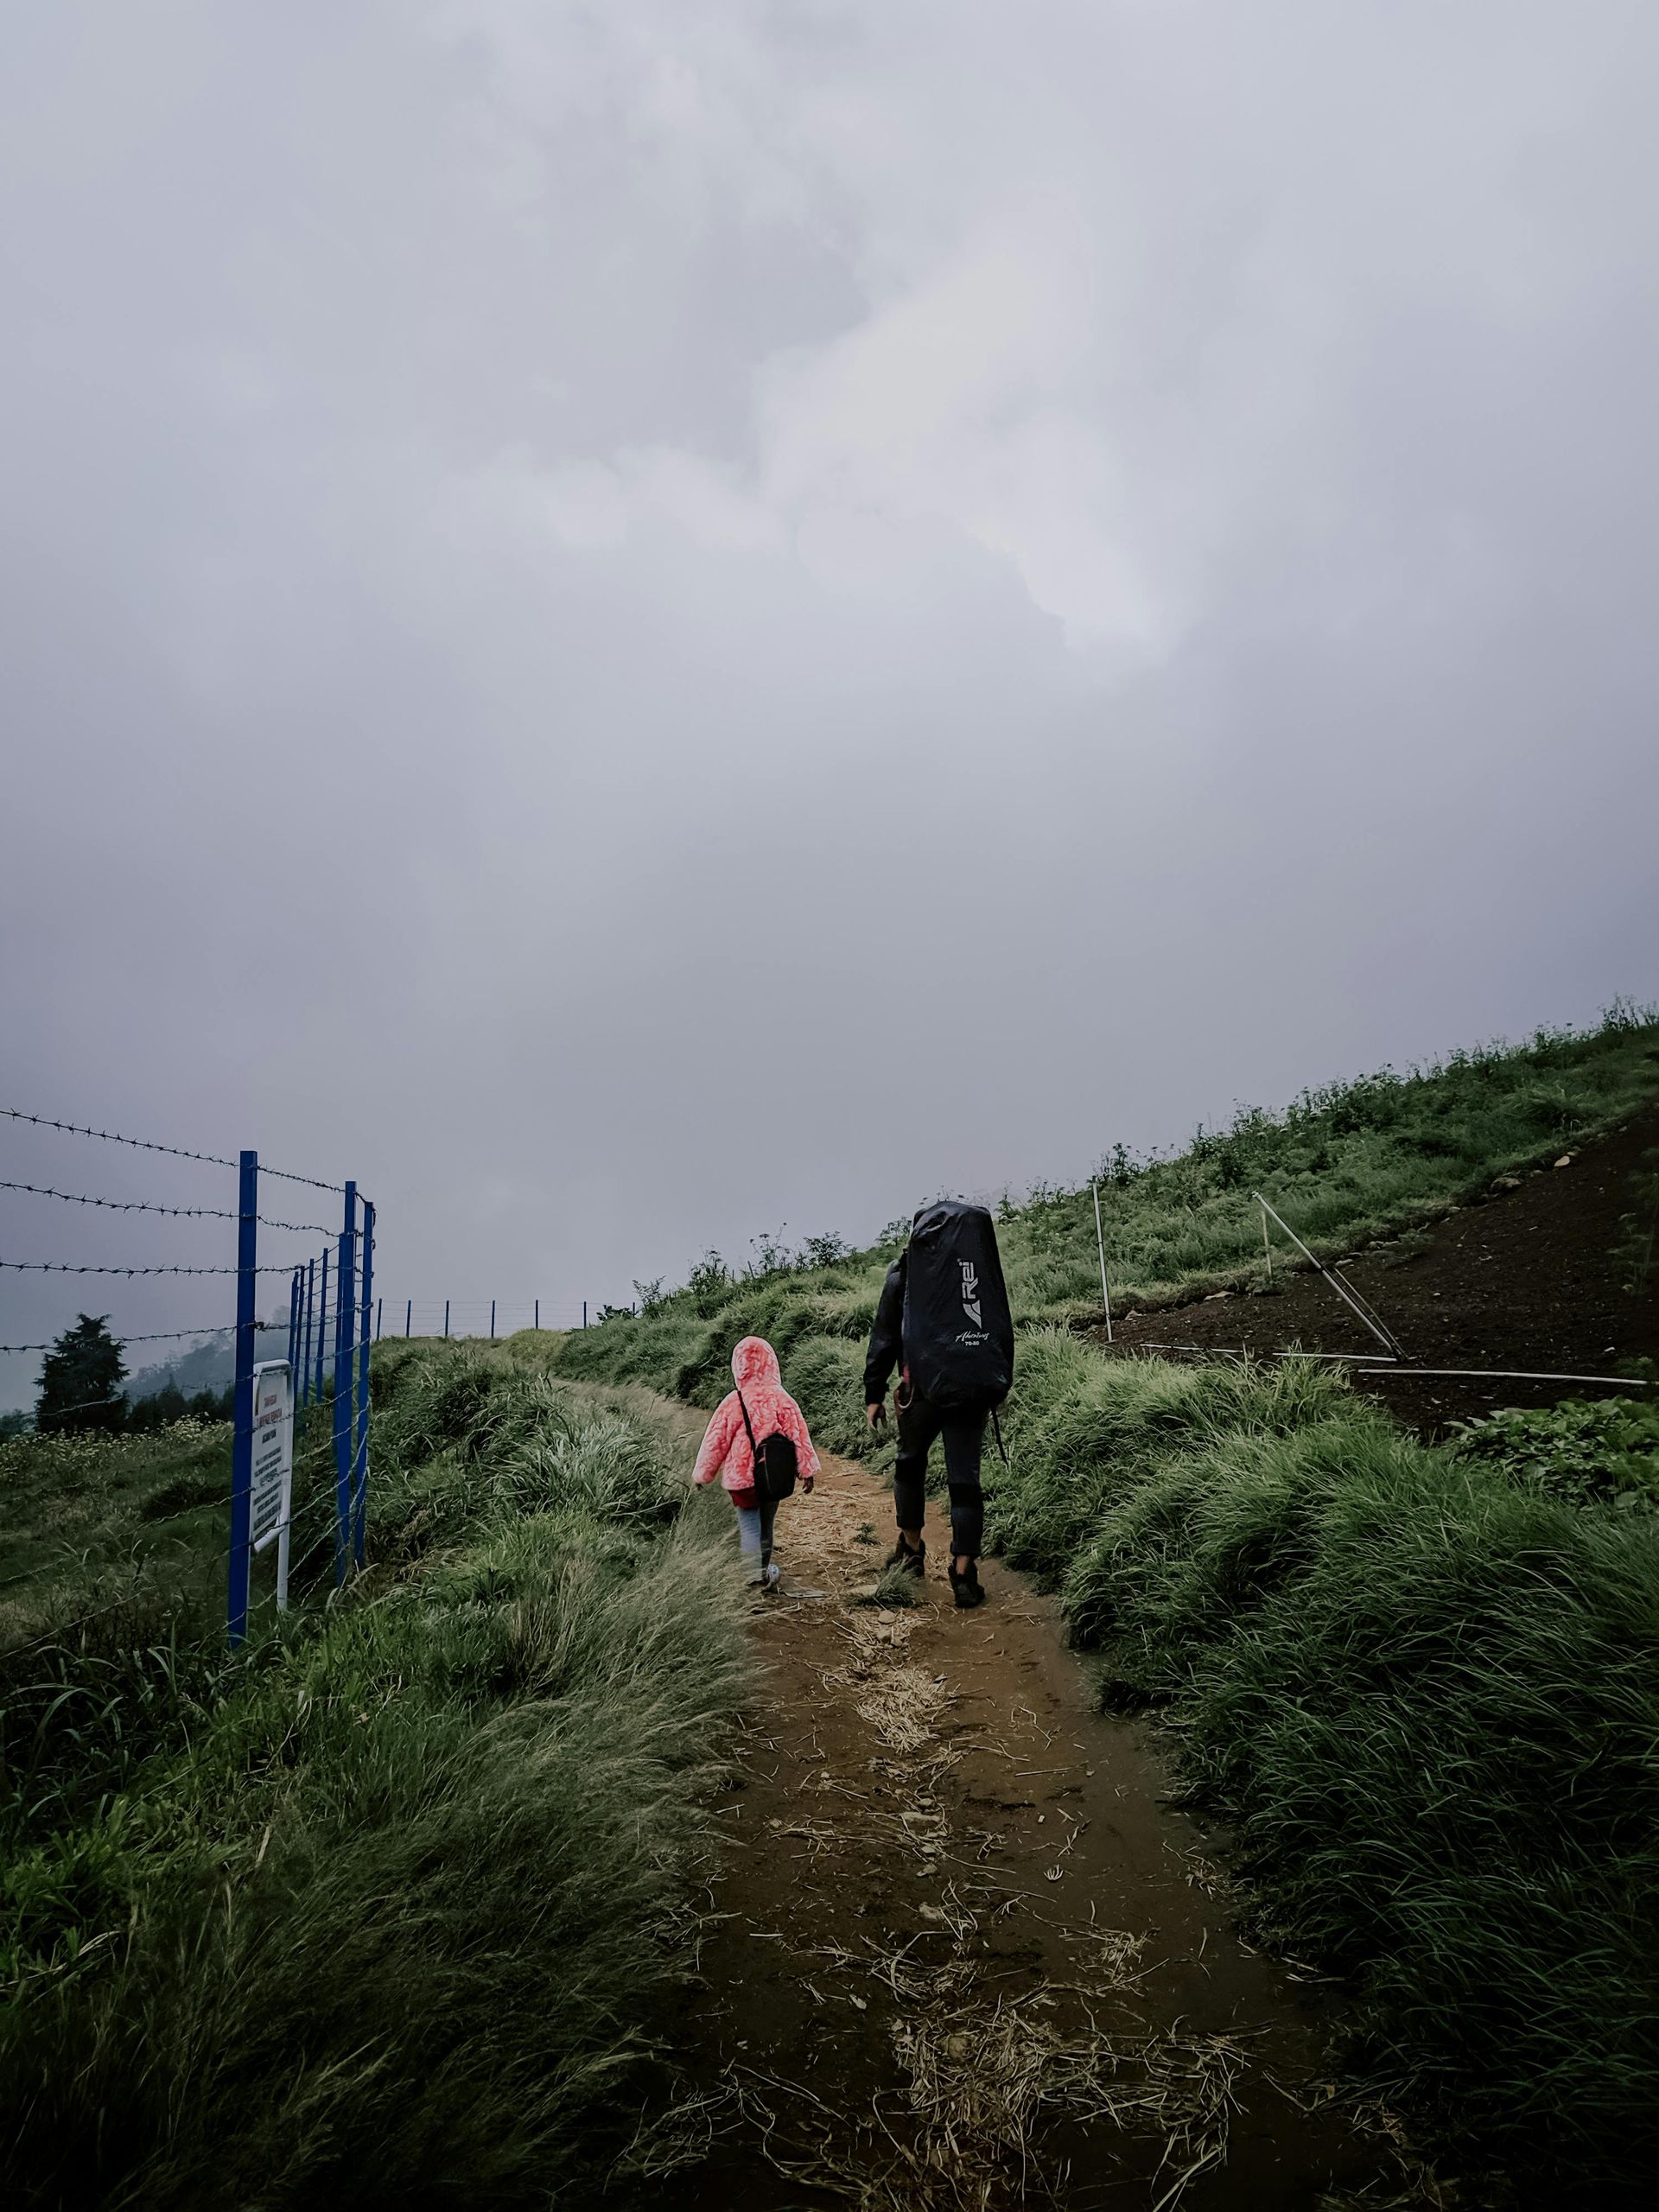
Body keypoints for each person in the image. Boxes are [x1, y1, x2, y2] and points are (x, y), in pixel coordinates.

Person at [863, 1199, 1014, 1610]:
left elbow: (884, 1339)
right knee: (965, 1480)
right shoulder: (978, 1273)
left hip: (921, 1394)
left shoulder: (905, 1277)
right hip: (971, 1392)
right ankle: (963, 1574)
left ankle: (911, 1551)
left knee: (909, 1463)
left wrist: (873, 1394)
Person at [693, 1335, 821, 1587]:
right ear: (772, 1363)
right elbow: (799, 1435)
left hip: (742, 1479)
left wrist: (703, 1474)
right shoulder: (783, 1400)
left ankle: (752, 1577)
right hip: (775, 1476)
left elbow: (716, 1440)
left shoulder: (733, 1401)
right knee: (767, 1525)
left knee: (749, 1526)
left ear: (738, 1367)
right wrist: (807, 1469)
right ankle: (763, 1570)